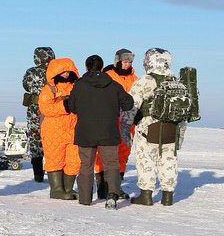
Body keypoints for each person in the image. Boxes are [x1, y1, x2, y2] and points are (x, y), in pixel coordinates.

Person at [67, 54, 134, 207]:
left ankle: (85, 199)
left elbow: (72, 107)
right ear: (103, 68)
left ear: (86, 67)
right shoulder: (113, 84)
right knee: (111, 164)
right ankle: (112, 194)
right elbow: (129, 104)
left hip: (85, 131)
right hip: (109, 130)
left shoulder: (79, 85)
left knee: (86, 165)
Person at [128, 48, 187, 206]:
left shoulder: (144, 80)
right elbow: (183, 111)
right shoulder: (177, 82)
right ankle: (168, 196)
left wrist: (125, 126)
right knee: (168, 160)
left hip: (148, 127)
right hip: (171, 128)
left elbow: (131, 106)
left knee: (145, 160)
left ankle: (146, 195)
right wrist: (180, 136)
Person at [94, 48, 138, 198]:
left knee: (123, 154)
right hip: (110, 122)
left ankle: (116, 188)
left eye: (130, 62)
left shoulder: (135, 79)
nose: (127, 64)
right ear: (117, 61)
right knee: (104, 154)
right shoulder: (107, 76)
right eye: (125, 61)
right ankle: (102, 188)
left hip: (128, 124)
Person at [38, 57, 80, 200]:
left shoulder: (77, 87)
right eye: (63, 72)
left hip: (73, 128)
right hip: (53, 130)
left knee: (74, 160)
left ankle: (68, 189)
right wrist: (64, 106)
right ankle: (56, 190)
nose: (66, 75)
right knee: (55, 159)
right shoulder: (49, 89)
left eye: (69, 72)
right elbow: (45, 108)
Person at [22, 47, 56, 183]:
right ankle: (55, 173)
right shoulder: (56, 71)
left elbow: (26, 86)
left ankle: (38, 175)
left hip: (35, 110)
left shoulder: (31, 72)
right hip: (53, 109)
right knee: (54, 140)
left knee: (35, 141)